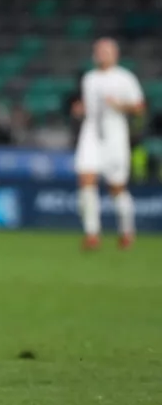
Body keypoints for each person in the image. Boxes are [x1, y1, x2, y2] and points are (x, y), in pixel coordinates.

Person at [72, 37, 144, 250]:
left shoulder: (125, 78)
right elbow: (90, 104)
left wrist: (119, 105)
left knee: (116, 187)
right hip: (91, 132)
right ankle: (92, 233)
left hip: (115, 134)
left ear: (115, 54)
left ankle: (126, 230)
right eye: (98, 50)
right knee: (86, 178)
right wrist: (81, 108)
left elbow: (139, 107)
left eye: (105, 51)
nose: (100, 54)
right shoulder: (89, 78)